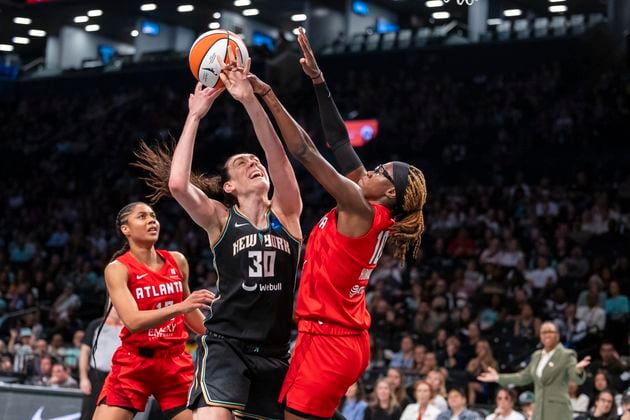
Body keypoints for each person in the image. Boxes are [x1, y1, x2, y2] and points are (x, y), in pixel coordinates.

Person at [250, 27, 427, 420]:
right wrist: (318, 81)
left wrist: (268, 95)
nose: (371, 170)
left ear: (391, 195)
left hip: (333, 341)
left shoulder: (359, 207)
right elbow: (339, 143)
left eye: (380, 171)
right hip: (327, 336)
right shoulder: (366, 202)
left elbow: (306, 150)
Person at [135, 58, 302, 419]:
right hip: (226, 343)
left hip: (274, 352)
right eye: (242, 163)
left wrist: (250, 101)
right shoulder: (222, 220)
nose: (254, 163)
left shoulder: (287, 215)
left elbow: (280, 160)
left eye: (255, 161)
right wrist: (195, 116)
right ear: (229, 186)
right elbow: (178, 185)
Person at [94, 202, 214, 420]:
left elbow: (189, 314)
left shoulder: (177, 260)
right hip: (135, 363)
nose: (152, 220)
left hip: (175, 363)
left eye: (153, 216)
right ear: (125, 229)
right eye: (142, 217)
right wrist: (181, 306)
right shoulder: (118, 269)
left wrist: (219, 333)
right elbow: (133, 321)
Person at [478, 321, 591, 420]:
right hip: (539, 408)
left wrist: (578, 370)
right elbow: (523, 377)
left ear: (557, 335)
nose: (547, 335)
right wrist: (498, 377)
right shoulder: (537, 356)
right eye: (543, 332)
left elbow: (576, 378)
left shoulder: (566, 354)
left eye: (550, 332)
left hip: (558, 410)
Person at [79, 304, 123, 420]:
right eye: (114, 307)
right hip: (96, 376)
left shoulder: (128, 328)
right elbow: (84, 352)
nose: (117, 310)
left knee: (112, 413)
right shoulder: (96, 325)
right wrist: (83, 378)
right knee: (88, 413)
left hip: (117, 377)